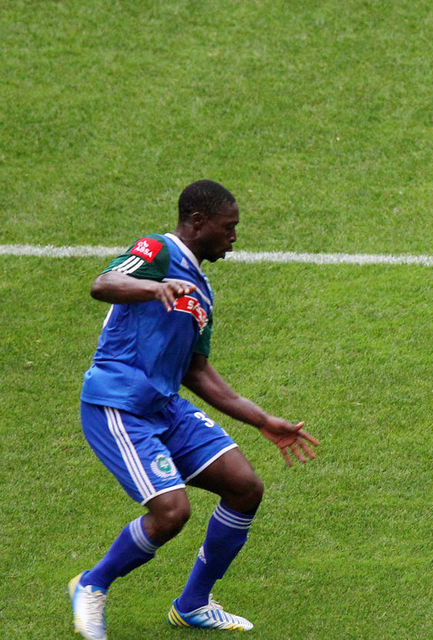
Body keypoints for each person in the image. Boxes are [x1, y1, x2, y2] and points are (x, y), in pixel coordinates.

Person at [69, 180, 319, 640]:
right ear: (199, 222)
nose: (234, 238)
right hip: (118, 404)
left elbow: (197, 372)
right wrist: (154, 287)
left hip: (164, 407)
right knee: (171, 512)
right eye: (229, 227)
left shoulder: (201, 292)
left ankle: (193, 605)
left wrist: (263, 420)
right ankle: (92, 583)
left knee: (244, 487)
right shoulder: (157, 250)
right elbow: (102, 284)